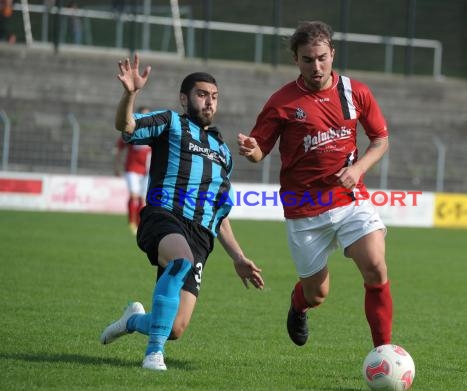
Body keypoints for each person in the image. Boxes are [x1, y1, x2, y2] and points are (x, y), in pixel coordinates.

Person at [100, 53, 264, 371]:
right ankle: (153, 355)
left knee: (175, 328)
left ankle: (133, 321)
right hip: (165, 216)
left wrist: (239, 257)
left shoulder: (223, 153)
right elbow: (127, 127)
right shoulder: (169, 122)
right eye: (202, 94)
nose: (209, 102)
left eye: (214, 97)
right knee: (180, 261)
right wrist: (130, 94)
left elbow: (220, 214)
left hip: (201, 236)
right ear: (184, 98)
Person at [237, 21, 392, 350]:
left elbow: (380, 139)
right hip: (304, 210)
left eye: (322, 57)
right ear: (296, 59)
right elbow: (259, 150)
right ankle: (298, 305)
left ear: (332, 54)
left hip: (349, 199)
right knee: (317, 293)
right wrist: (252, 150)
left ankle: (383, 353)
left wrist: (360, 168)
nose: (316, 66)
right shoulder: (282, 101)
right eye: (308, 59)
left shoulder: (356, 92)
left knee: (376, 264)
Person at [114, 106, 152, 234]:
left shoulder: (153, 132)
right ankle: (132, 223)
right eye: (143, 115)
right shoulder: (130, 131)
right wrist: (117, 166)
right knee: (134, 195)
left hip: (147, 171)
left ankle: (140, 224)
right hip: (132, 169)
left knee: (143, 199)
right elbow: (119, 149)